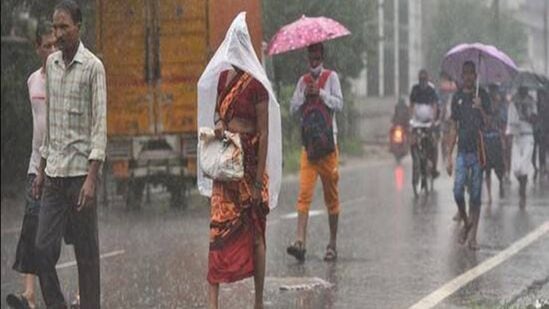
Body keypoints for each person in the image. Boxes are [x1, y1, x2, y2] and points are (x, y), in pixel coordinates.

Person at [196, 12, 282, 309]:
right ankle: (213, 303)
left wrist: (258, 180)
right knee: (218, 231)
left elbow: (264, 130)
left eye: (237, 46)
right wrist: (220, 123)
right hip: (225, 164)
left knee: (256, 232)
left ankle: (257, 300)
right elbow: (220, 113)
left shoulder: (256, 83)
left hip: (250, 167)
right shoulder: (223, 79)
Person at [32, 1, 107, 308]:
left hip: (79, 178)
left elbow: (99, 126)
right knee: (41, 250)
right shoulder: (51, 65)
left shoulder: (93, 67)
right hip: (53, 177)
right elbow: (50, 122)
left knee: (86, 256)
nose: (58, 33)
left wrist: (91, 179)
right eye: (55, 27)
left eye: (64, 27)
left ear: (79, 27)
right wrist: (40, 169)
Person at [6, 21, 56, 309]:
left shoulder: (64, 78)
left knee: (66, 235)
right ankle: (29, 294)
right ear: (37, 48)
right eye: (45, 45)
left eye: (54, 45)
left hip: (62, 167)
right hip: (35, 164)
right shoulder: (32, 81)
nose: (50, 50)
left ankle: (76, 295)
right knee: (31, 226)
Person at [286, 42, 343, 262]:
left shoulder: (332, 78)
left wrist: (321, 93)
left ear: (322, 56)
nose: (314, 59)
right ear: (307, 57)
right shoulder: (302, 81)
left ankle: (332, 244)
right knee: (304, 194)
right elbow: (292, 108)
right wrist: (304, 95)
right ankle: (300, 241)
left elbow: (339, 105)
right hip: (308, 148)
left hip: (328, 147)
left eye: (317, 55)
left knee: (332, 197)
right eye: (311, 56)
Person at [446, 61, 491, 250]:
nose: (468, 77)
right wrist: (448, 155)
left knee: (475, 195)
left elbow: (488, 124)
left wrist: (480, 107)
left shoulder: (483, 96)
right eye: (465, 73)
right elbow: (454, 128)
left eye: (471, 73)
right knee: (457, 191)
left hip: (478, 151)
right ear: (462, 76)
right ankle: (466, 222)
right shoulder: (456, 98)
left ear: (476, 75)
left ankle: (472, 238)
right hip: (462, 152)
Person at [507, 86, 537, 206]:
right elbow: (510, 121)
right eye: (520, 89)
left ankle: (522, 194)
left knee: (524, 166)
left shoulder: (531, 101)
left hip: (528, 135)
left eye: (524, 89)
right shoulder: (513, 101)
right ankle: (522, 183)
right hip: (517, 136)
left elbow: (535, 119)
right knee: (516, 168)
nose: (522, 91)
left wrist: (525, 113)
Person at [410, 69, 440, 177]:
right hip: (417, 122)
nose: (422, 82)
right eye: (421, 79)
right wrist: (412, 119)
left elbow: (435, 105)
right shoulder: (415, 89)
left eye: (424, 79)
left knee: (433, 143)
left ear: (427, 80)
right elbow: (412, 105)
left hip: (429, 122)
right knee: (413, 141)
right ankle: (416, 161)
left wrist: (433, 120)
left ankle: (434, 167)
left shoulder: (431, 90)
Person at [483, 84, 506, 202]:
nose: (493, 93)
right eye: (491, 90)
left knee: (499, 168)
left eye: (494, 90)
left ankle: (501, 183)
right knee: (486, 169)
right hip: (486, 139)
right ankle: (489, 195)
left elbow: (502, 124)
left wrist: (502, 139)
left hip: (496, 138)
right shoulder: (484, 104)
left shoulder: (500, 106)